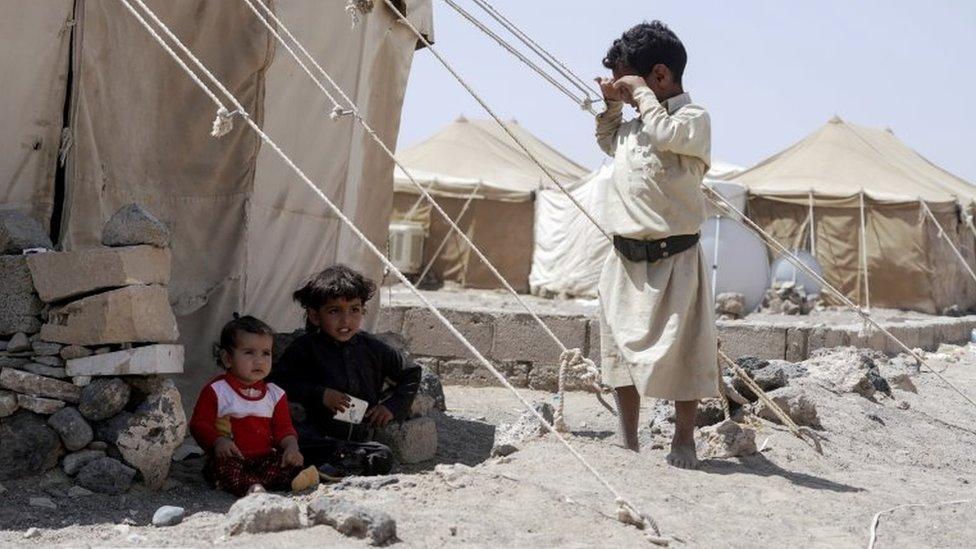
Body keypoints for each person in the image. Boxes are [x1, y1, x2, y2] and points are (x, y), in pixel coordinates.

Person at [593, 21, 718, 469]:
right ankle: (627, 439)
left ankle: (683, 440)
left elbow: (666, 135)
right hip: (626, 259)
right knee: (619, 353)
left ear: (660, 77)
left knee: (686, 352)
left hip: (676, 258)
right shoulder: (632, 128)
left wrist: (640, 96)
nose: (629, 97)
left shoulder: (692, 120)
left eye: (632, 85)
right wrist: (612, 104)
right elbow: (608, 139)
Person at [270, 264, 421, 478]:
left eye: (354, 309)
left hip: (358, 438)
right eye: (334, 311)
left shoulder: (373, 348)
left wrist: (391, 407)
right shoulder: (305, 348)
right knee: (294, 440)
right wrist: (320, 394)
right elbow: (277, 382)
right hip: (316, 433)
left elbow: (411, 373)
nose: (346, 320)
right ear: (315, 316)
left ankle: (332, 466)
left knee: (382, 455)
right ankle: (333, 464)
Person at [189, 315, 319, 497]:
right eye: (249, 352)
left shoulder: (275, 394)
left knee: (284, 463)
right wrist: (218, 441)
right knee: (225, 470)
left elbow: (283, 429)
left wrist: (291, 447)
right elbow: (199, 424)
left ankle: (289, 480)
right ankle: (252, 487)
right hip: (234, 459)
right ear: (227, 359)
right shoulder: (217, 390)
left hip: (264, 459)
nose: (259, 361)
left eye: (266, 353)